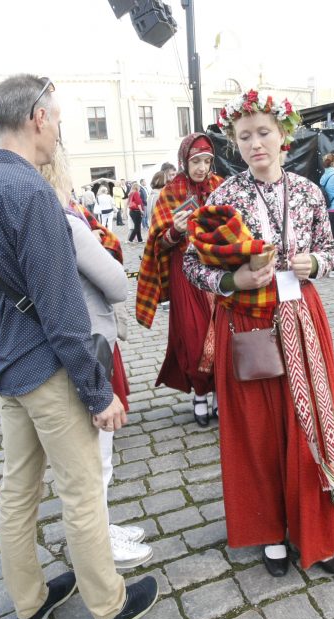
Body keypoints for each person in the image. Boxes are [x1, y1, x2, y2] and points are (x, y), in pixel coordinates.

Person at [0, 74, 156, 619]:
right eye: (59, 120)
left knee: (18, 491)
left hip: (7, 360)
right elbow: (61, 307)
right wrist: (98, 393)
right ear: (38, 118)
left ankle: (29, 600)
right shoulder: (31, 193)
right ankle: (108, 604)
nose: (60, 132)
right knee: (83, 491)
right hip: (46, 368)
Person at [184, 90, 334, 577]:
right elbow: (193, 264)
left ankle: (315, 533)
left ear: (284, 135)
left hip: (301, 318)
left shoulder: (308, 192)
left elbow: (330, 247)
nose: (255, 143)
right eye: (244, 136)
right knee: (258, 430)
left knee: (310, 426)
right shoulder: (224, 197)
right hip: (248, 322)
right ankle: (269, 530)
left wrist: (317, 262)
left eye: (263, 133)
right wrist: (230, 280)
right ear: (234, 143)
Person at [39, 146, 153, 570]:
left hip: (54, 346)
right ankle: (96, 543)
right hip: (87, 340)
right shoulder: (66, 222)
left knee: (88, 454)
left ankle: (100, 528)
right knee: (96, 455)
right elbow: (116, 283)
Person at [137, 133, 223, 426]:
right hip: (185, 274)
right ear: (184, 160)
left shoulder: (219, 186)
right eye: (196, 160)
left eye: (207, 161)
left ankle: (219, 394)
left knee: (224, 335)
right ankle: (199, 392)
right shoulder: (170, 192)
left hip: (217, 271)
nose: (201, 167)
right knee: (194, 337)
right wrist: (175, 231)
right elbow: (158, 242)